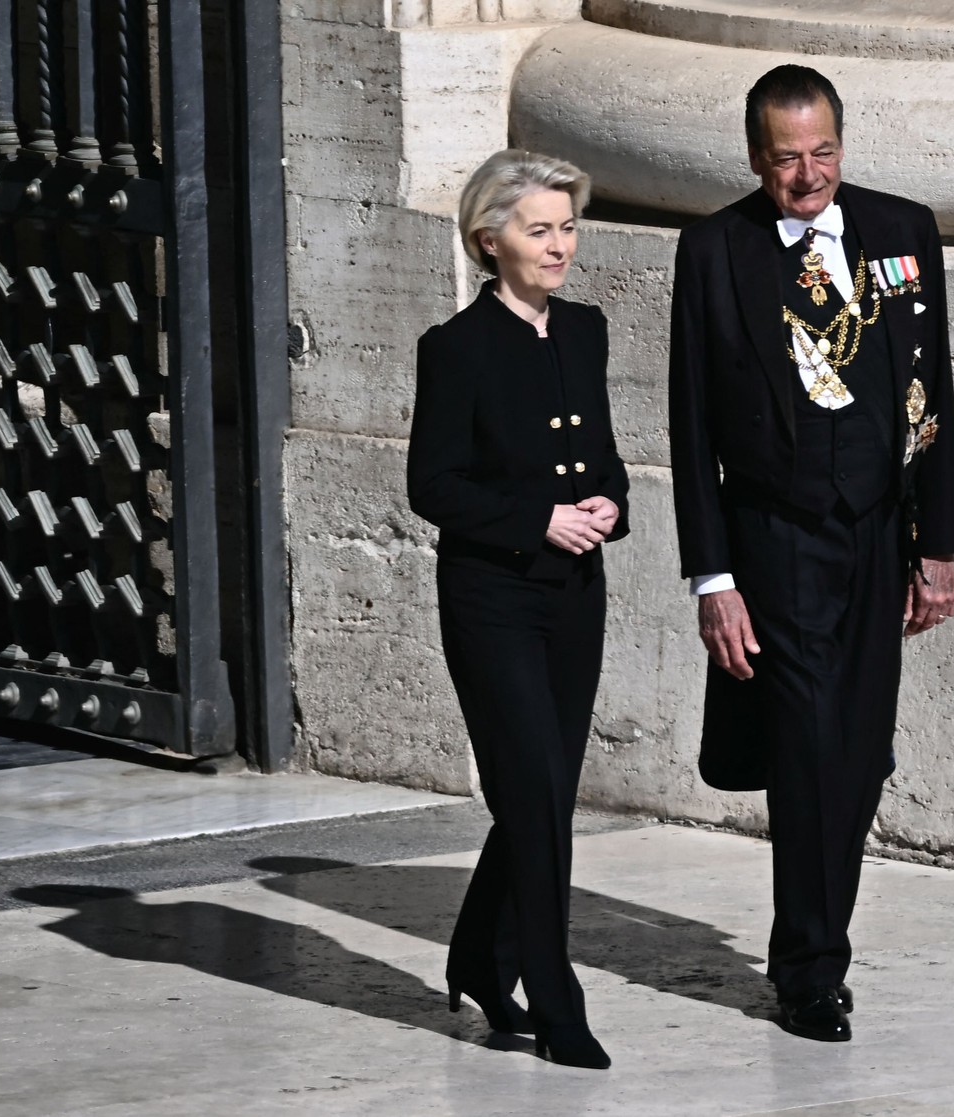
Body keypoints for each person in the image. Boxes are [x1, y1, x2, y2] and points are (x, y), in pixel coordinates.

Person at [667, 65, 954, 1042]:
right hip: (774, 537)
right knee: (803, 749)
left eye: (823, 151)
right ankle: (808, 971)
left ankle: (816, 935)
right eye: (788, 157)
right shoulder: (717, 251)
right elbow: (689, 423)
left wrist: (938, 543)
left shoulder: (899, 231)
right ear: (757, 157)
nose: (808, 175)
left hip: (878, 533)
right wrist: (714, 577)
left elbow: (934, 397)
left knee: (858, 752)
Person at [407, 149, 628, 1070]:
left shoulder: (586, 330)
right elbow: (433, 486)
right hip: (492, 598)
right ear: (487, 239)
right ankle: (553, 990)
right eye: (539, 229)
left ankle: (475, 952)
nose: (560, 245)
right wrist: (536, 520)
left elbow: (603, 455)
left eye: (567, 226)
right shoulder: (453, 348)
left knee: (544, 796)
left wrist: (610, 504)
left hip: (574, 599)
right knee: (531, 794)